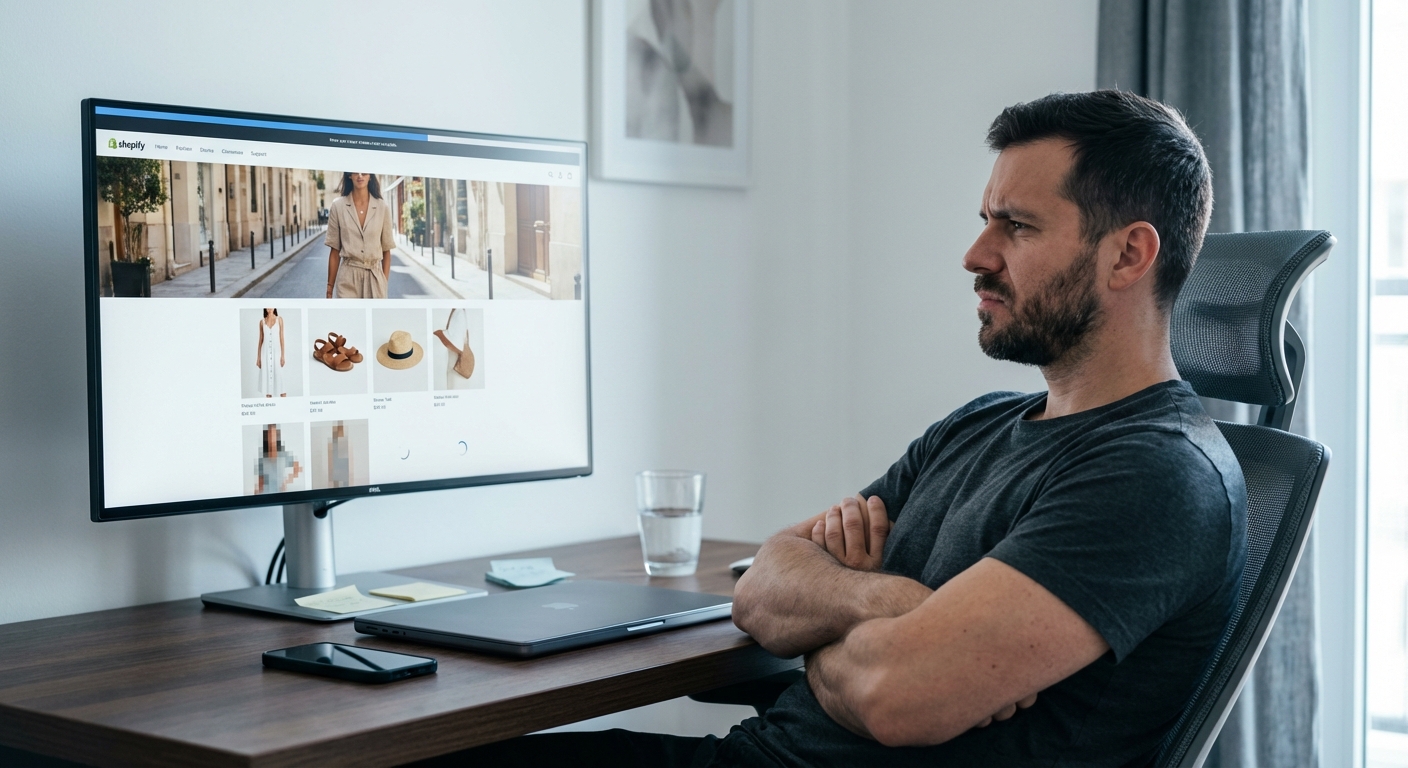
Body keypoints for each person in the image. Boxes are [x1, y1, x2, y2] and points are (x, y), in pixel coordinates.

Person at [424, 90, 1246, 768]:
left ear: (1129, 256)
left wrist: (843, 632)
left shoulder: (1156, 475)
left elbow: (895, 698)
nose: (975, 254)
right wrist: (891, 602)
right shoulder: (979, 426)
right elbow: (763, 589)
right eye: (985, 219)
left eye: (1017, 227)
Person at [325, 172, 395, 298]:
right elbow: (334, 252)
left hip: (375, 279)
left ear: (370, 176)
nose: (360, 175)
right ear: (349, 175)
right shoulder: (338, 206)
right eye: (356, 172)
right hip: (347, 279)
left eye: (364, 172)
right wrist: (329, 288)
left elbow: (386, 251)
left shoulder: (382, 207)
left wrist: (383, 284)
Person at [254, 308, 285, 398]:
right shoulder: (262, 322)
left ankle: (285, 406)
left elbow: (281, 338)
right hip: (265, 353)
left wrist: (283, 356)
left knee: (281, 384)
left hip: (276, 352)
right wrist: (258, 358)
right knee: (267, 386)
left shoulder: (279, 319)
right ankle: (270, 408)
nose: (269, 308)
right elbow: (260, 340)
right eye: (267, 307)